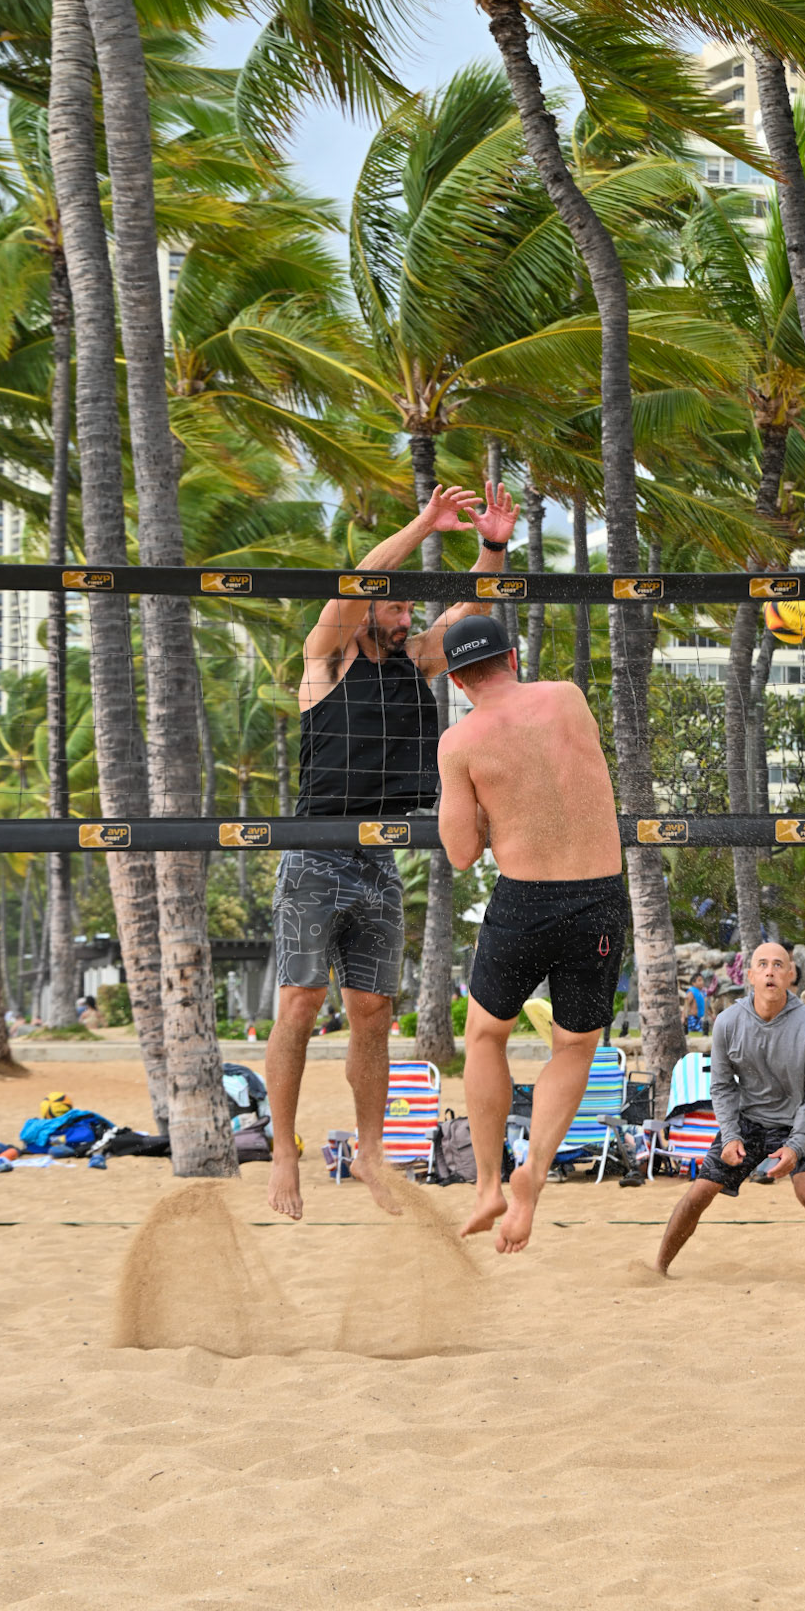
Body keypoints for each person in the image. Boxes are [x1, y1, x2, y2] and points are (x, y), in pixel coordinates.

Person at [265, 482, 518, 1222]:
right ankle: (285, 1149)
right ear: (368, 608)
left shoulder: (417, 661)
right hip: (315, 851)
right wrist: (424, 523)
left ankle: (371, 1152)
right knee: (299, 1003)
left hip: (380, 854)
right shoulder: (327, 659)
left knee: (374, 1011)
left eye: (410, 604)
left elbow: (474, 607)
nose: (404, 611)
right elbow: (349, 592)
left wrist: (491, 545)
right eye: (393, 602)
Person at [436, 614, 626, 1255]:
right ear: (513, 659)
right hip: (600, 894)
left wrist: (488, 804)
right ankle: (535, 1174)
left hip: (526, 901)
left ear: (459, 680)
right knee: (574, 1047)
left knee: (486, 1035)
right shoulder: (567, 697)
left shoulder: (460, 741)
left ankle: (489, 1182)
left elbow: (461, 852)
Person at [653, 941, 805, 1284]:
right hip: (747, 1122)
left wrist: (795, 1147)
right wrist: (731, 1136)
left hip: (795, 1122)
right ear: (749, 975)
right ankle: (658, 1268)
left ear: (791, 975)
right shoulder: (728, 1023)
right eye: (762, 965)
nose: (770, 971)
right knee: (699, 1192)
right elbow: (721, 1086)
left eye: (779, 965)